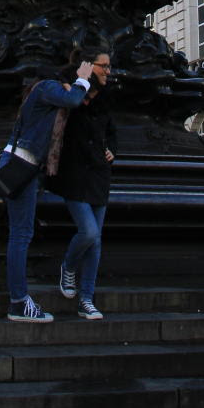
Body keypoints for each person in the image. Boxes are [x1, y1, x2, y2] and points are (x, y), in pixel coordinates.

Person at [0, 55, 94, 322]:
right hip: (22, 164)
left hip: (24, 163)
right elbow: (73, 100)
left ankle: (19, 301)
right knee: (20, 235)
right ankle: (18, 302)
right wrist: (82, 80)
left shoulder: (34, 94)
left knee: (20, 233)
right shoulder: (45, 88)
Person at [49, 49, 117, 321]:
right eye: (104, 67)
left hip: (99, 174)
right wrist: (78, 80)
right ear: (90, 68)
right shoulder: (73, 94)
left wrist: (112, 149)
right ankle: (68, 266)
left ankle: (86, 299)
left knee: (96, 241)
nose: (108, 72)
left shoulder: (106, 100)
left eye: (109, 67)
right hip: (74, 174)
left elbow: (112, 131)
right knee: (88, 233)